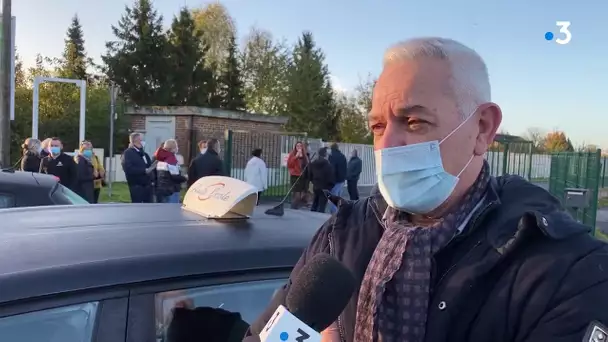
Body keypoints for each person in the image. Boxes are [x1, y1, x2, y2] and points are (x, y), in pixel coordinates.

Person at [249, 37, 608, 342]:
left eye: (414, 121)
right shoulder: (338, 237)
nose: (387, 144)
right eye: (377, 126)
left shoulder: (567, 272)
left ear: (482, 128)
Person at [122, 132, 156, 203]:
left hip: (148, 186)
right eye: (141, 140)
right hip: (136, 186)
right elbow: (128, 169)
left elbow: (149, 166)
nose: (143, 142)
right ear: (135, 141)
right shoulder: (128, 153)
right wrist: (143, 171)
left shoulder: (144, 154)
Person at [155, 139, 187, 203]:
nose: (177, 148)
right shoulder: (171, 159)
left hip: (162, 189)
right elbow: (175, 177)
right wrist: (185, 177)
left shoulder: (160, 159)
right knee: (172, 211)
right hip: (171, 190)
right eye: (176, 147)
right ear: (172, 148)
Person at [307, 147, 334, 213]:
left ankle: (312, 216)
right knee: (322, 205)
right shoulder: (328, 165)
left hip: (316, 185)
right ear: (325, 154)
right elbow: (331, 178)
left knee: (315, 202)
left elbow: (309, 175)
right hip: (325, 187)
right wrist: (330, 186)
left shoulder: (313, 163)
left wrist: (313, 181)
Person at [286, 142, 309, 209]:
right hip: (295, 176)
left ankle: (296, 207)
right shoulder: (292, 154)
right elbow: (289, 165)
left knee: (302, 194)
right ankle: (293, 209)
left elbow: (307, 166)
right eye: (297, 146)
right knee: (297, 195)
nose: (299, 147)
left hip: (303, 177)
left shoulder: (305, 156)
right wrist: (296, 157)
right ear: (295, 147)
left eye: (300, 146)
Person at [327, 143, 347, 213]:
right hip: (342, 180)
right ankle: (339, 212)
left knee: (332, 198)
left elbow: (332, 169)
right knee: (338, 197)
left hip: (335, 180)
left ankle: (335, 214)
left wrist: (330, 180)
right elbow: (345, 168)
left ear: (332, 149)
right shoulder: (342, 156)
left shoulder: (332, 157)